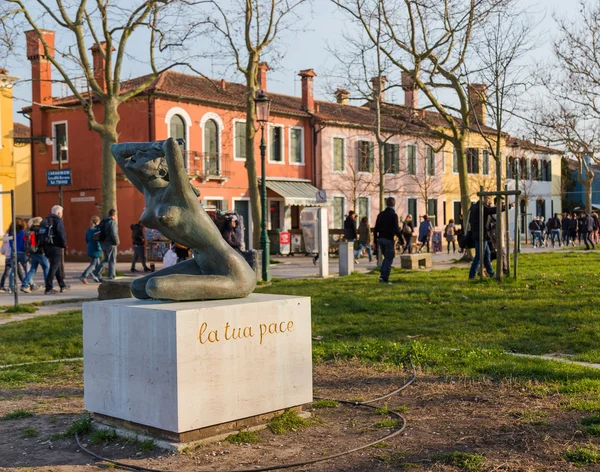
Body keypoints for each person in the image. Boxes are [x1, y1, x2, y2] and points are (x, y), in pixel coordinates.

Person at [468, 196, 499, 279]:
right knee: (479, 256)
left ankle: (491, 273)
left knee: (486, 254)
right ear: (483, 198)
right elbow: (491, 210)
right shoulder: (481, 208)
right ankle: (472, 275)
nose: (489, 201)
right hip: (481, 235)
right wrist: (506, 206)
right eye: (488, 199)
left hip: (478, 235)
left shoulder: (474, 207)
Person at [374, 197, 400, 284]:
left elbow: (375, 228)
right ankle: (384, 277)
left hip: (381, 238)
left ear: (386, 204)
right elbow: (396, 229)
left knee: (386, 257)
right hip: (389, 239)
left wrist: (375, 240)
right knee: (389, 258)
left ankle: (382, 274)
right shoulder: (394, 215)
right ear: (394, 204)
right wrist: (402, 240)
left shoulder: (381, 214)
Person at [42, 205, 68, 294]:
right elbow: (62, 234)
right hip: (56, 247)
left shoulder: (45, 221)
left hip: (47, 247)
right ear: (59, 213)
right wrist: (64, 245)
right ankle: (48, 287)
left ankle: (62, 285)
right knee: (54, 267)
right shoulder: (58, 221)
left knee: (57, 266)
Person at [21, 217, 50, 293]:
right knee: (46, 268)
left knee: (33, 269)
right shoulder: (40, 230)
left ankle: (24, 285)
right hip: (40, 252)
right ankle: (48, 286)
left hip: (32, 252)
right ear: (39, 223)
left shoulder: (29, 230)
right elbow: (42, 241)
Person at [94, 209, 119, 281]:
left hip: (102, 243)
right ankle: (111, 276)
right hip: (110, 243)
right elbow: (114, 234)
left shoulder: (103, 221)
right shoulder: (112, 222)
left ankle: (96, 271)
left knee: (106, 259)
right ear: (114, 215)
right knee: (112, 259)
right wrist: (117, 242)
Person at [80, 216, 103, 284]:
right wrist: (99, 248)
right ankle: (84, 276)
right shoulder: (97, 230)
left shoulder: (89, 229)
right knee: (93, 264)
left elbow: (86, 239)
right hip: (95, 248)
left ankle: (98, 276)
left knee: (97, 263)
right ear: (98, 222)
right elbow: (97, 240)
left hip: (90, 247)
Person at [8, 218, 28, 292]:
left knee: (13, 271)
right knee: (27, 269)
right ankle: (28, 284)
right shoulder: (23, 232)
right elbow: (25, 243)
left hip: (13, 253)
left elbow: (10, 244)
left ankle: (11, 286)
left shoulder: (10, 233)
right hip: (22, 253)